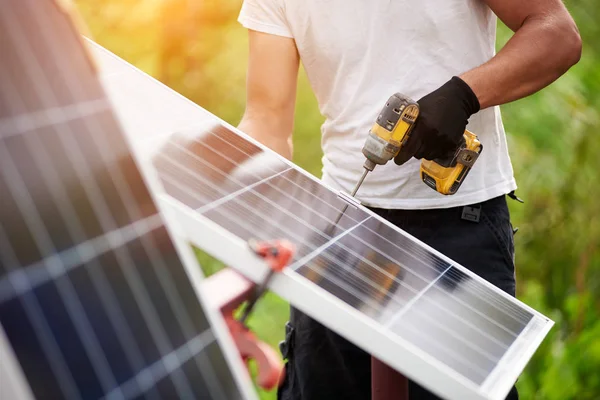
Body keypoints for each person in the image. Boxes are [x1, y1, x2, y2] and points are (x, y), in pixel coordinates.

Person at [235, 1, 581, 399]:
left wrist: (464, 96)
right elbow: (266, 123)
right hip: (341, 230)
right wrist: (224, 191)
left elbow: (557, 35)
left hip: (458, 230)